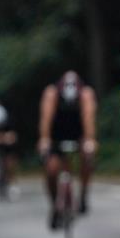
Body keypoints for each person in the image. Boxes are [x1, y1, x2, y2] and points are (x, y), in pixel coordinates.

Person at [37, 71, 97, 229]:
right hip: (57, 135)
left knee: (88, 156)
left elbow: (88, 117)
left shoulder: (85, 94)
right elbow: (45, 118)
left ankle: (83, 193)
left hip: (78, 134)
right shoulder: (52, 94)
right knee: (51, 170)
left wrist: (90, 140)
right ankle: (54, 204)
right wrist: (44, 139)